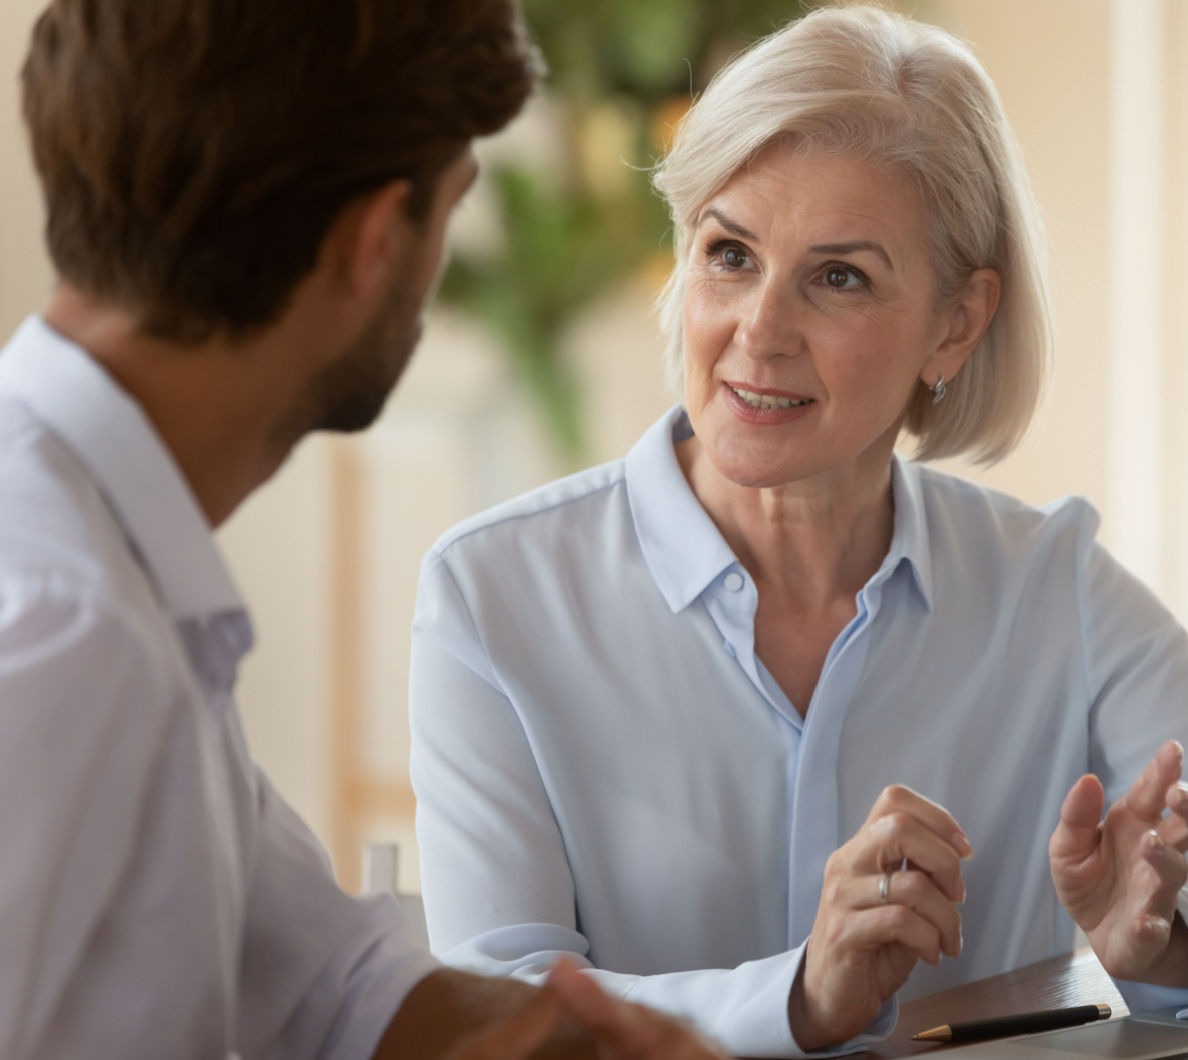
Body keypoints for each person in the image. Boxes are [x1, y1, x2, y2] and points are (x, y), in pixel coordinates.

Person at [409, 6, 1188, 1059]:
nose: (759, 331)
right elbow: (495, 1017)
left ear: (956, 323)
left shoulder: (1049, 586)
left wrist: (1158, 938)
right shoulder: (492, 594)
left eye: (838, 276)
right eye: (730, 253)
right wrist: (797, 995)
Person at [0, 3, 729, 1059]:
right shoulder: (70, 626)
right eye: (450, 215)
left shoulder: (122, 573)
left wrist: (595, 1036)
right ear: (374, 244)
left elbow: (332, 984)